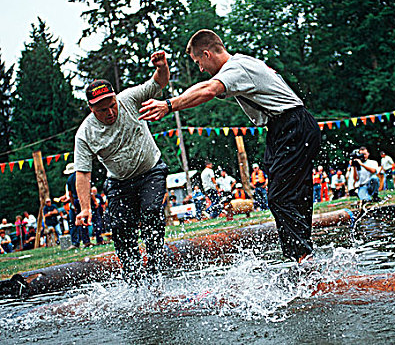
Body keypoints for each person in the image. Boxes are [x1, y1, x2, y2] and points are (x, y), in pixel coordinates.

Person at [139, 29, 321, 263]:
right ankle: (304, 255)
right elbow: (204, 86)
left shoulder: (237, 67)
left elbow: (208, 90)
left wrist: (169, 105)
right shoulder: (239, 64)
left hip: (293, 126)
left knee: (280, 197)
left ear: (207, 54)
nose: (200, 69)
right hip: (282, 129)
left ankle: (303, 259)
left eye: (198, 62)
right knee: (290, 193)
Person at [74, 51, 170, 282]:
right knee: (120, 230)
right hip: (119, 182)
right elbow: (83, 174)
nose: (110, 113)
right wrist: (85, 208)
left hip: (151, 171)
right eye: (102, 110)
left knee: (151, 213)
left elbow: (159, 82)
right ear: (91, 109)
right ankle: (134, 281)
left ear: (116, 98)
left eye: (112, 105)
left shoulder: (130, 98)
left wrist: (162, 67)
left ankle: (155, 269)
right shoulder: (85, 134)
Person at [65, 163, 91, 248]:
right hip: (82, 199)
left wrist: (73, 205)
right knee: (84, 221)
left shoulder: (69, 180)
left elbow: (70, 194)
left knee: (73, 222)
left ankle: (75, 242)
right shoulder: (80, 176)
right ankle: (86, 241)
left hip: (75, 201)